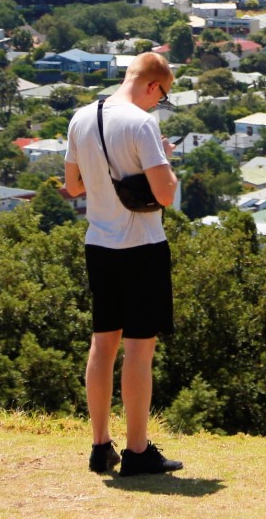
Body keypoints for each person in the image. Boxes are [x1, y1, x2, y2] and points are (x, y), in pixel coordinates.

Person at [62, 50, 184, 476]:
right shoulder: (142, 123)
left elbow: (72, 186)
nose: (159, 103)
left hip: (99, 243)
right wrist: (165, 159)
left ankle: (100, 445)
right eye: (162, 96)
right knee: (139, 350)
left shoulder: (82, 116)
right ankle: (136, 449)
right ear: (153, 85)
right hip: (142, 245)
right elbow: (166, 195)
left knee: (102, 344)